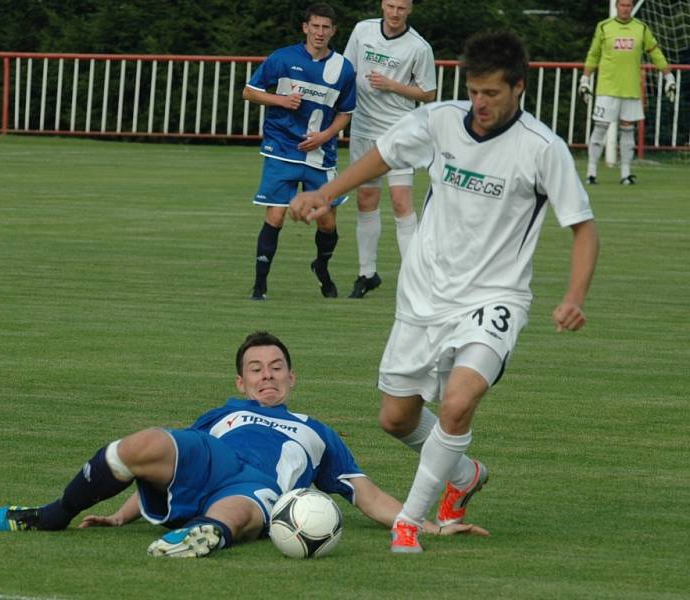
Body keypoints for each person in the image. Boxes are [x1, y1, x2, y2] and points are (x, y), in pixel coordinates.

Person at [289, 31, 600, 554]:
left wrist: (574, 296)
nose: (479, 103)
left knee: (458, 403)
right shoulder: (438, 121)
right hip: (423, 295)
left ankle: (410, 521)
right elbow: (383, 155)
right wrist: (325, 192)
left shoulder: (542, 148)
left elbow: (584, 227)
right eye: (474, 91)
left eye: (492, 94)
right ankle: (464, 474)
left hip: (494, 299)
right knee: (395, 419)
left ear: (519, 88)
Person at [0, 331, 488, 557]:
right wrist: (120, 516)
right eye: (256, 370)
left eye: (275, 369)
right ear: (242, 382)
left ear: (292, 379)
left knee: (245, 507)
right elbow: (164, 468)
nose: (267, 377)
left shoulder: (318, 433)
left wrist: (424, 525)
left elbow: (370, 497)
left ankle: (202, 536)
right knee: (145, 445)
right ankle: (53, 514)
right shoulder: (223, 413)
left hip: (257, 486)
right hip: (211, 460)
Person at [244, 3, 356, 301]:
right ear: (305, 27)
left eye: (326, 27)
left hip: (320, 155)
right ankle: (259, 287)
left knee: (328, 222)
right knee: (276, 216)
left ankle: (321, 266)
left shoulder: (343, 68)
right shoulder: (281, 59)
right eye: (315, 26)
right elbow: (249, 91)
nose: (320, 32)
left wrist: (325, 136)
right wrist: (280, 101)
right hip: (282, 149)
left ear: (333, 31)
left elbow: (345, 113)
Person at [343, 0, 436, 299]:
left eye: (402, 8)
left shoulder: (419, 47)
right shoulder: (362, 31)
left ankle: (414, 279)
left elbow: (428, 93)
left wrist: (392, 85)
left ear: (410, 10)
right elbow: (347, 71)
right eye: (391, 6)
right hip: (363, 129)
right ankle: (366, 273)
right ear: (382, 5)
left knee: (400, 202)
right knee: (366, 200)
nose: (395, 13)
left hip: (399, 133)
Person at [580, 0, 676, 185]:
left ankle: (625, 173)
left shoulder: (641, 28)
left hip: (631, 88)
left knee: (627, 130)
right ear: (616, 6)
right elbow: (593, 54)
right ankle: (591, 172)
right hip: (607, 88)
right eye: (622, 5)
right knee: (600, 127)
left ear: (632, 7)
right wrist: (585, 79)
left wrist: (668, 76)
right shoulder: (604, 27)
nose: (626, 8)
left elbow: (654, 51)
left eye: (629, 5)